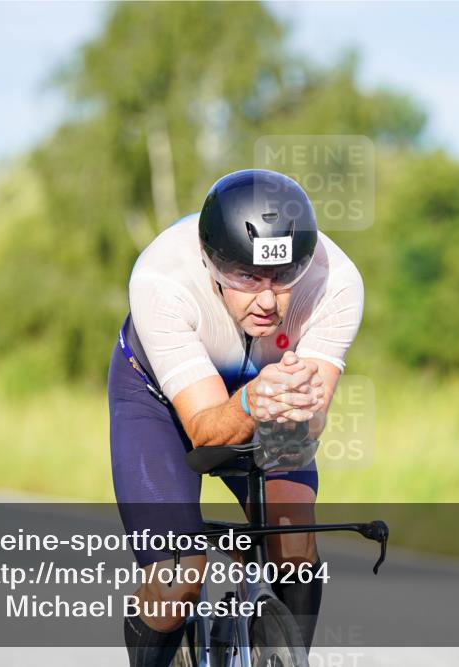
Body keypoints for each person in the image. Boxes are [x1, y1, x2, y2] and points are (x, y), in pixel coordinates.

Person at [108, 168, 364, 666]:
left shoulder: (337, 281)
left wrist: (295, 409)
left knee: (292, 538)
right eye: (247, 277)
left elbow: (309, 425)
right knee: (180, 573)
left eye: (283, 276)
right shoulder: (161, 277)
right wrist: (250, 402)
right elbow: (205, 429)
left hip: (267, 395)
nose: (268, 300)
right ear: (211, 265)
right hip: (157, 399)